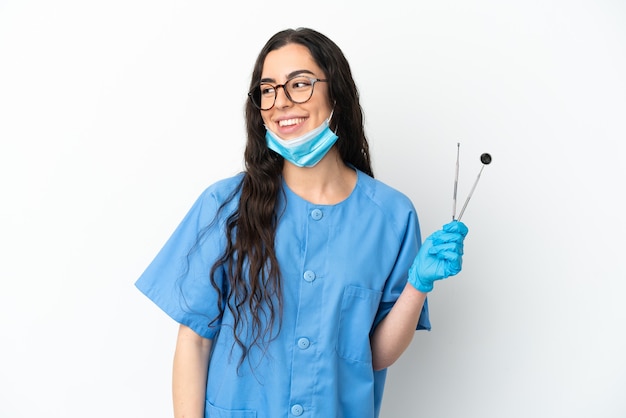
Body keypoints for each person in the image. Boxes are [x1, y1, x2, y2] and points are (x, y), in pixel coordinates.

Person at [135, 27, 468, 418]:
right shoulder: (224, 205)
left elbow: (374, 355)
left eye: (300, 84)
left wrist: (418, 285)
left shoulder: (391, 216)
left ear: (336, 93)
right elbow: (194, 342)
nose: (281, 102)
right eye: (268, 89)